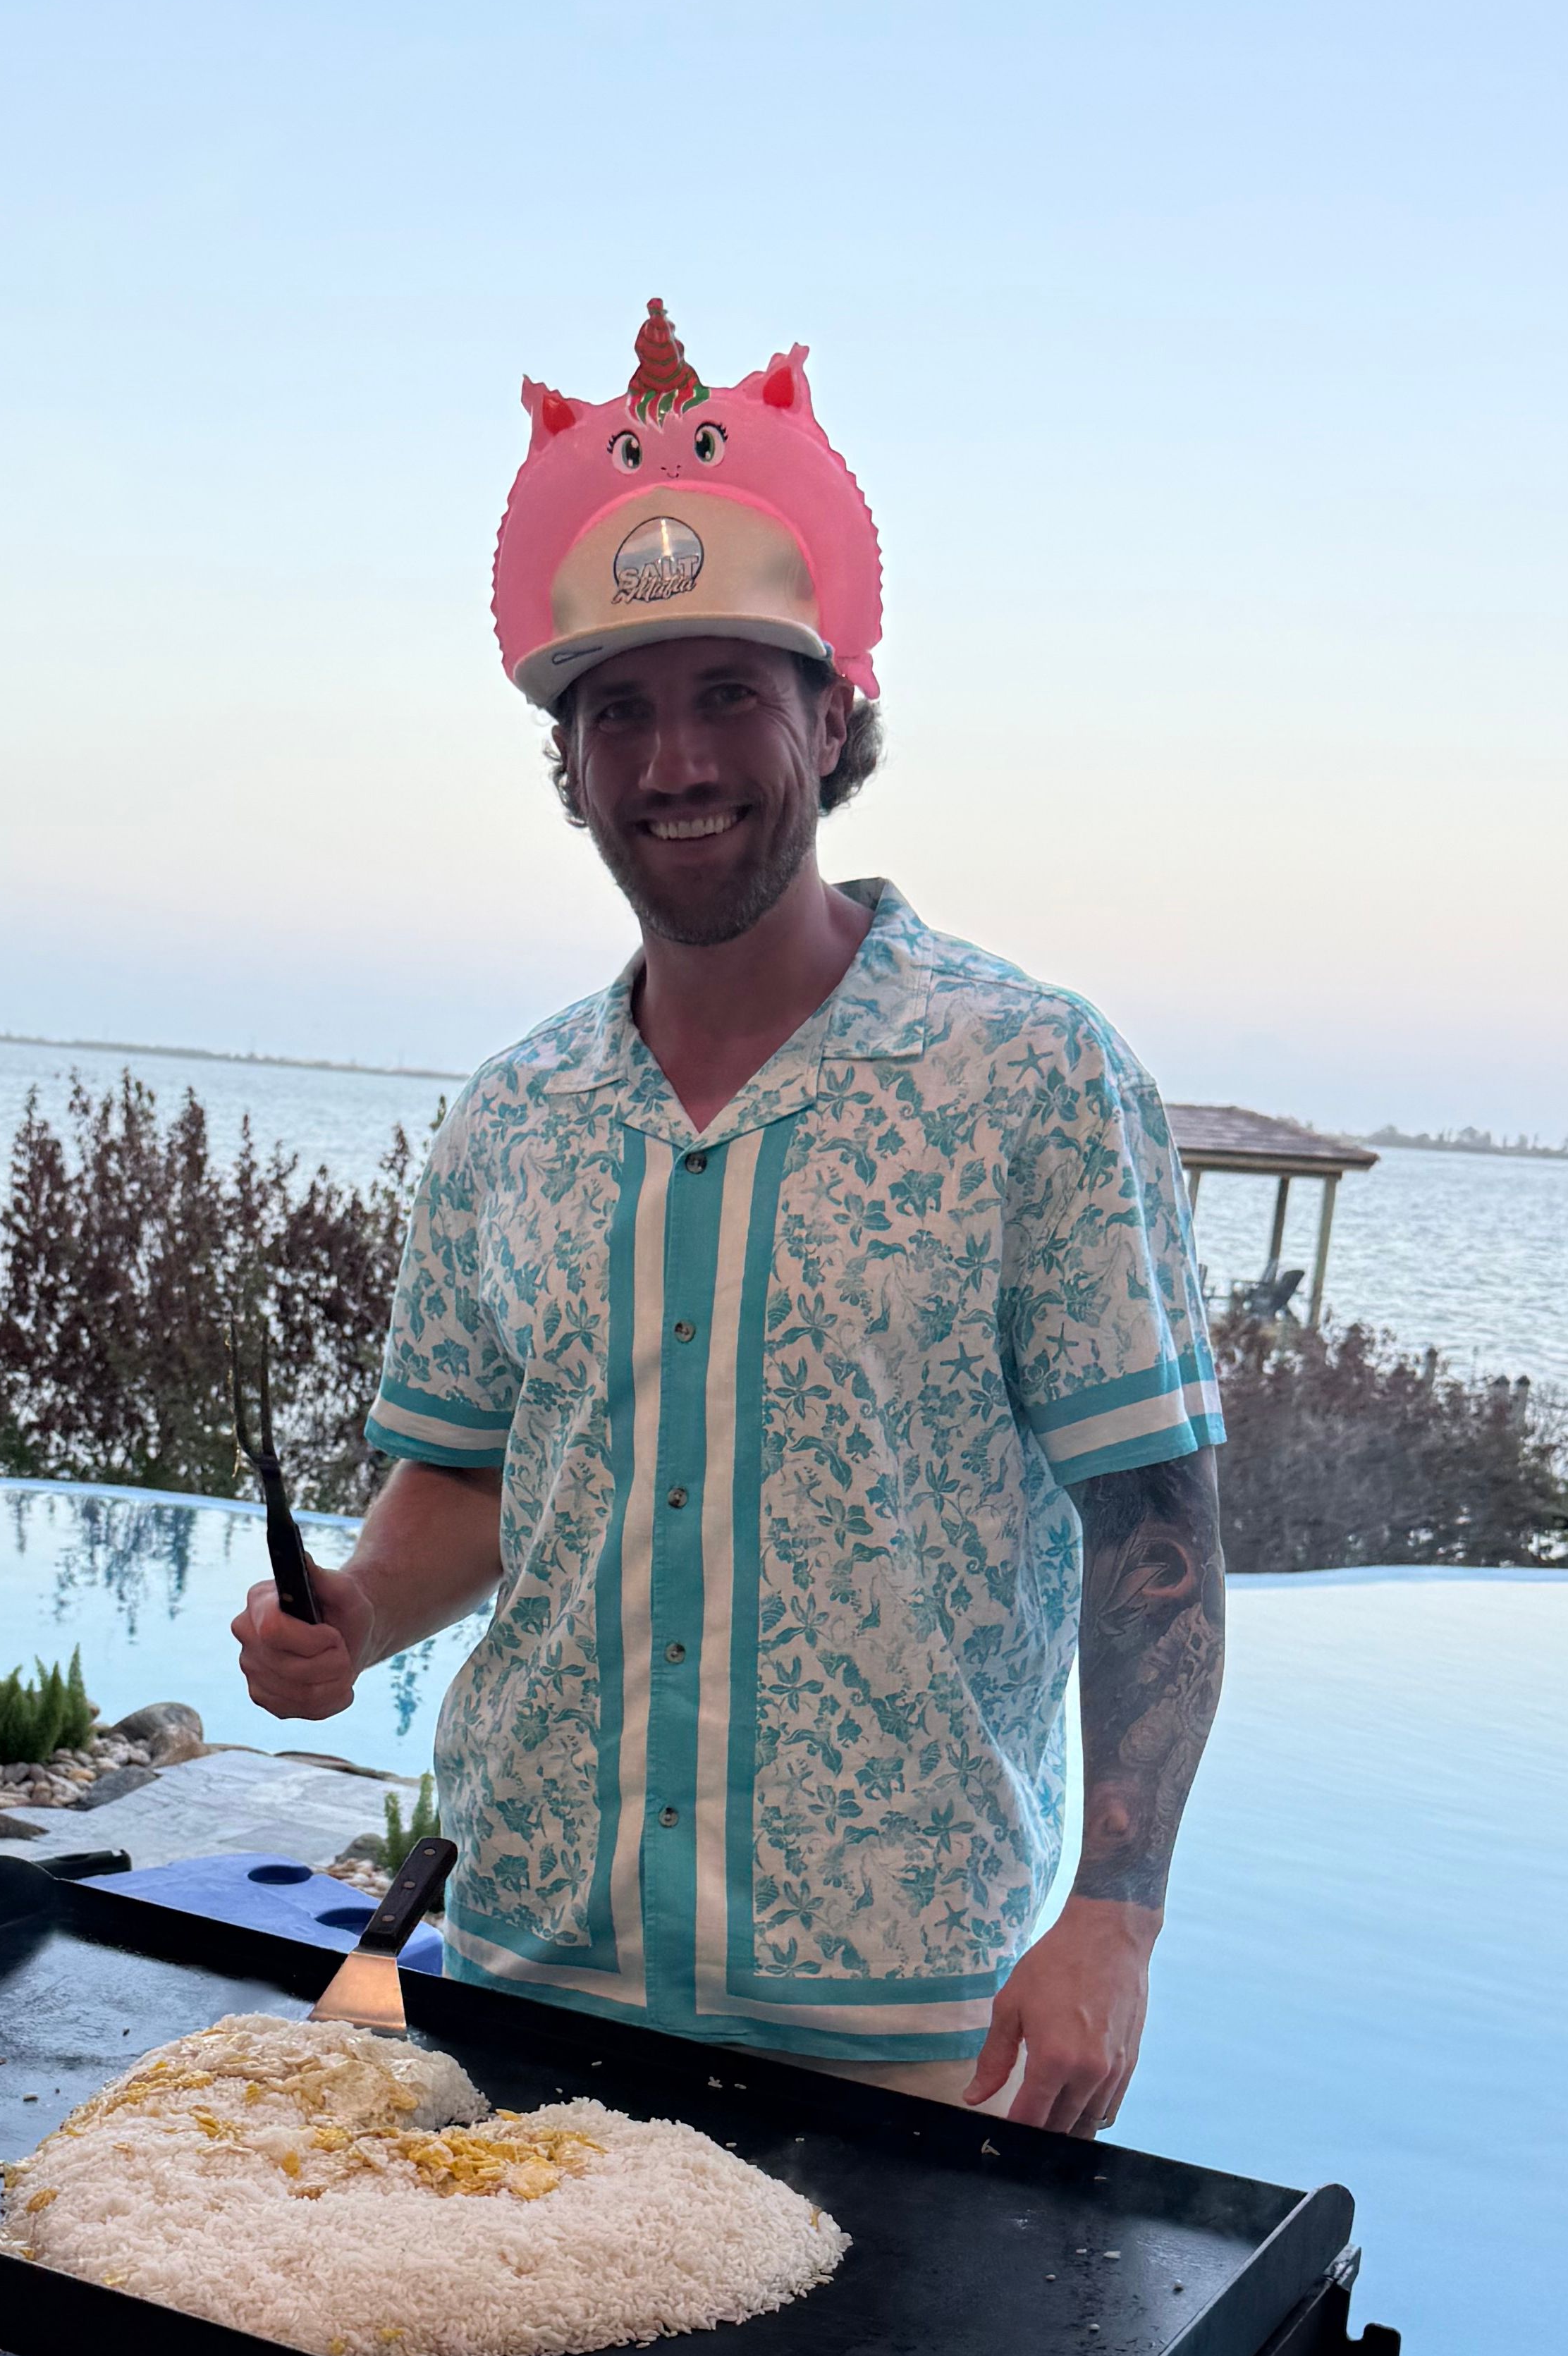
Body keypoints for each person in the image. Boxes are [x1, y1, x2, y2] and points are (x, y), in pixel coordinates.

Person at [233, 305, 1225, 2133]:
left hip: (903, 2006)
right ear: (568, 761)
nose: (671, 762)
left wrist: (1116, 1912)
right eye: (617, 711)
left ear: (832, 718)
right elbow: (469, 1482)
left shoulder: (1029, 1078)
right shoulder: (510, 1122)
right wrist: (354, 1614)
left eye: (724, 697)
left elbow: (1151, 1531)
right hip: (525, 1969)